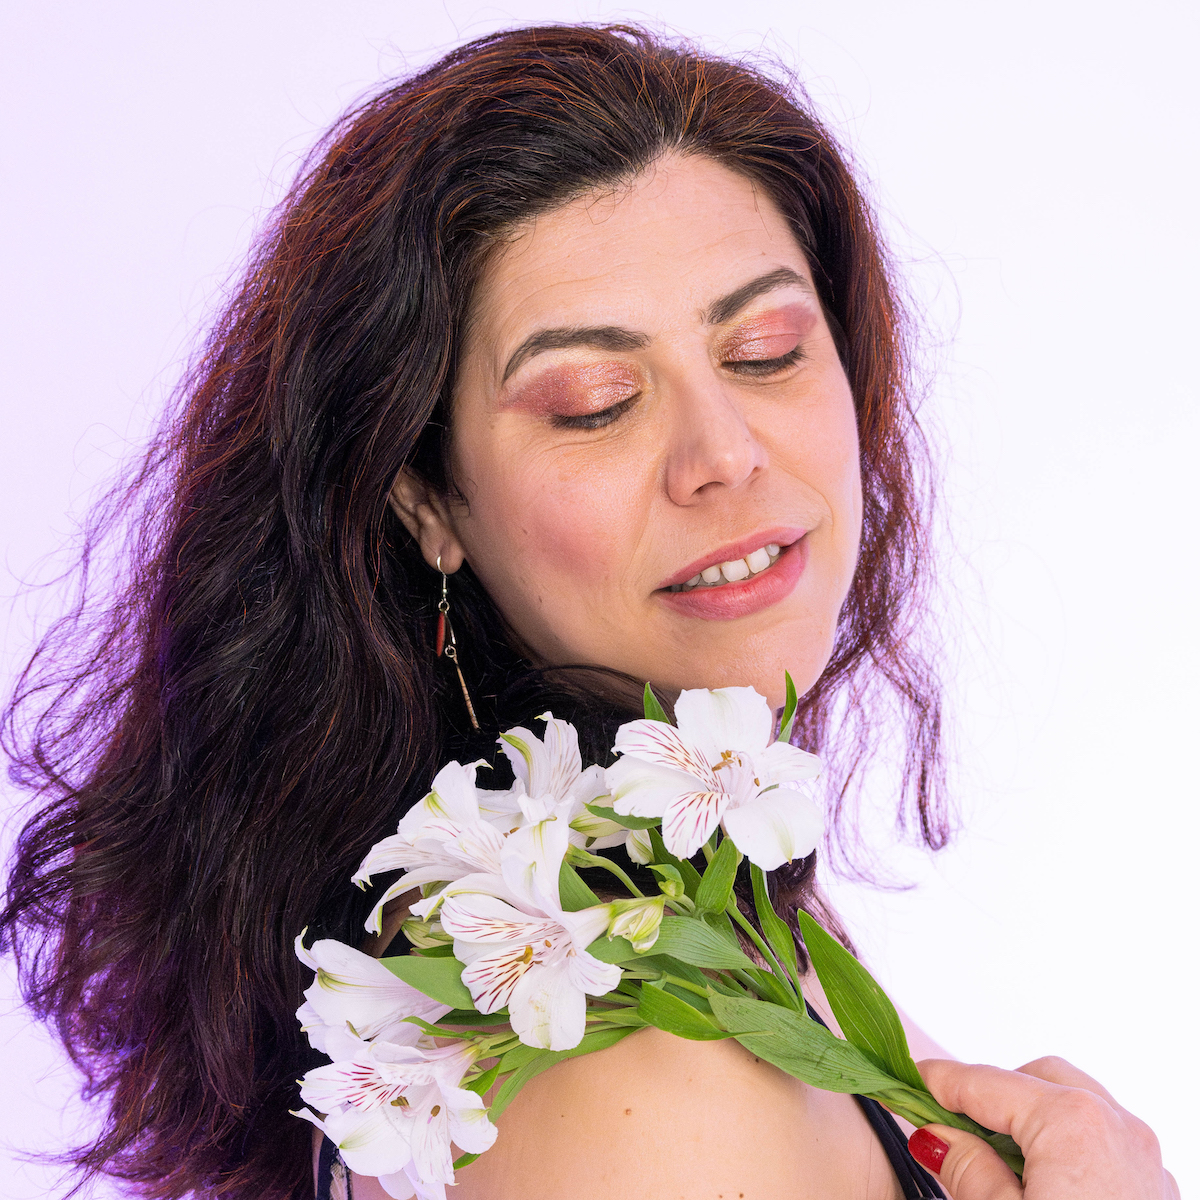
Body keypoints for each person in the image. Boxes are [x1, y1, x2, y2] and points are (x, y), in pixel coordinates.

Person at [0, 23, 1176, 1200]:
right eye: (594, 403)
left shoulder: (665, 897)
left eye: (767, 351)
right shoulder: (641, 1067)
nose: (724, 456)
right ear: (428, 501)